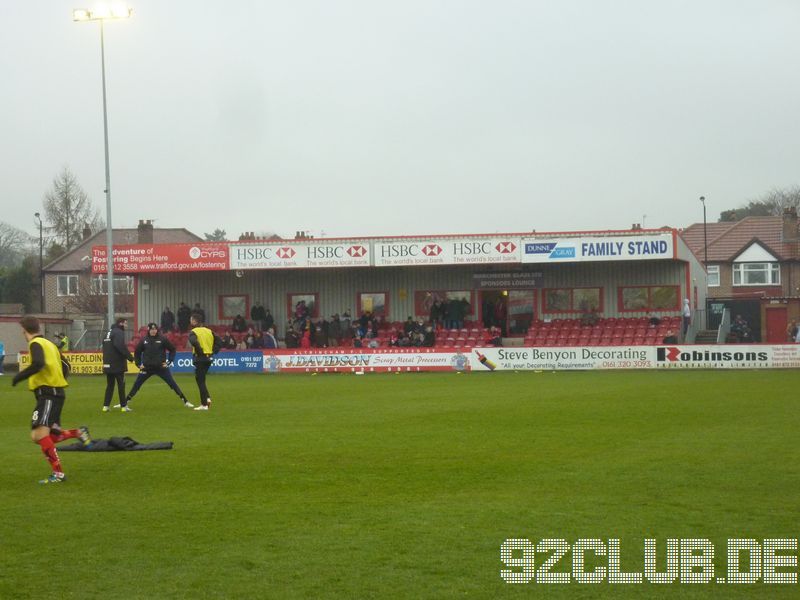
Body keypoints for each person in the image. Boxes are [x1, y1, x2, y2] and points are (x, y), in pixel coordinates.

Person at [11, 315, 92, 484]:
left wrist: (19, 376)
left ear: (24, 331)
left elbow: (38, 363)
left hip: (48, 394)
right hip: (54, 393)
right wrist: (59, 380)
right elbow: (66, 366)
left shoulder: (35, 344)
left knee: (39, 434)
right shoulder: (50, 345)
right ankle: (78, 433)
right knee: (46, 435)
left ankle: (58, 474)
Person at [124, 323, 193, 409]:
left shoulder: (163, 339)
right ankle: (125, 402)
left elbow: (172, 349)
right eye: (152, 329)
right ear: (148, 330)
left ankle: (185, 401)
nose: (153, 331)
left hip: (161, 368)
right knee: (137, 384)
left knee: (172, 384)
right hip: (147, 368)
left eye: (155, 329)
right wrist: (138, 364)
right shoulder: (143, 340)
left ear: (157, 330)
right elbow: (137, 352)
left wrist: (169, 361)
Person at [189, 312, 221, 411]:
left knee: (200, 381)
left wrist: (199, 351)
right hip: (209, 358)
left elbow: (193, 342)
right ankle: (207, 398)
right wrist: (214, 350)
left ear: (194, 321)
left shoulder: (194, 331)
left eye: (191, 319)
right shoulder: (209, 331)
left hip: (200, 358)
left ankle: (204, 404)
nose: (190, 321)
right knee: (200, 379)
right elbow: (219, 341)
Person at [102, 318, 134, 412]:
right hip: (117, 364)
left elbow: (104, 345)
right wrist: (130, 357)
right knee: (121, 385)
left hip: (107, 363)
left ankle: (105, 406)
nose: (126, 325)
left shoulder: (108, 332)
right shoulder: (119, 332)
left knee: (110, 385)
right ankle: (124, 407)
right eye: (125, 323)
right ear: (121, 323)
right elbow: (119, 345)